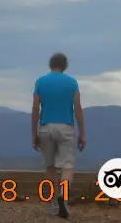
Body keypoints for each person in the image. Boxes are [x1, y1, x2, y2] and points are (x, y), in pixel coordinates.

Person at [32, 52, 85, 219]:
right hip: (66, 127)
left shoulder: (40, 82)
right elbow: (77, 108)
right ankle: (64, 195)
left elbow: (35, 109)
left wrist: (34, 133)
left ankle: (55, 201)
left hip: (46, 127)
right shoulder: (72, 83)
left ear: (50, 65)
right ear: (65, 66)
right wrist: (82, 133)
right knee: (67, 166)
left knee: (50, 167)